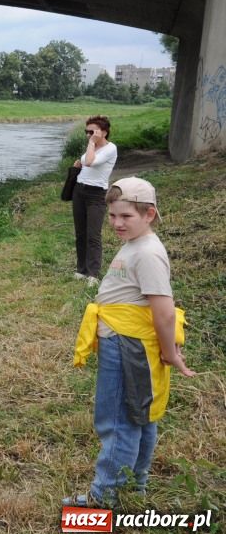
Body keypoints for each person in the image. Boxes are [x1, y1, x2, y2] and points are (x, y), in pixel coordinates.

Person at [68, 177, 195, 508]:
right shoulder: (137, 245)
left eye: (126, 217)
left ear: (149, 214)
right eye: (112, 216)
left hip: (127, 346)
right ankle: (133, 489)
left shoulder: (148, 253)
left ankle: (105, 499)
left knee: (118, 421)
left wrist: (170, 353)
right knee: (140, 415)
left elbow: (164, 313)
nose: (116, 223)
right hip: (124, 342)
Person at [72, 116, 117, 284]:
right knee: (80, 232)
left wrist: (91, 143)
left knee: (93, 235)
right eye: (86, 132)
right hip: (80, 190)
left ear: (104, 132)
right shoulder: (93, 146)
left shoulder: (110, 148)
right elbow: (86, 162)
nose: (88, 135)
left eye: (92, 132)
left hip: (96, 194)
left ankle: (93, 274)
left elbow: (90, 162)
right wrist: (78, 164)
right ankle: (81, 270)